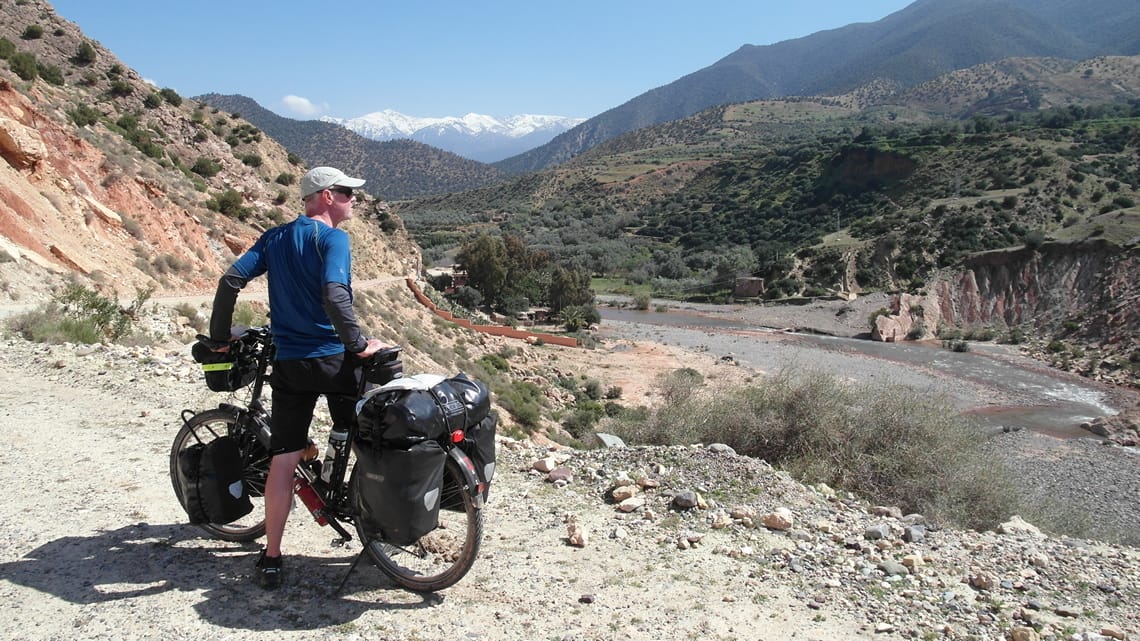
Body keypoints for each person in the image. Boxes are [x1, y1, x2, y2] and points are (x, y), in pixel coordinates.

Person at [208, 166, 388, 589]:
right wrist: (360, 345)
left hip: (290, 363)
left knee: (283, 459)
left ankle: (271, 557)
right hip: (333, 360)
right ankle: (373, 522)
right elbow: (334, 294)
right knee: (365, 437)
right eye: (346, 193)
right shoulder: (332, 239)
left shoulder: (274, 238)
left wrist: (219, 336)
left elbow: (230, 279)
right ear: (325, 196)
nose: (353, 200)